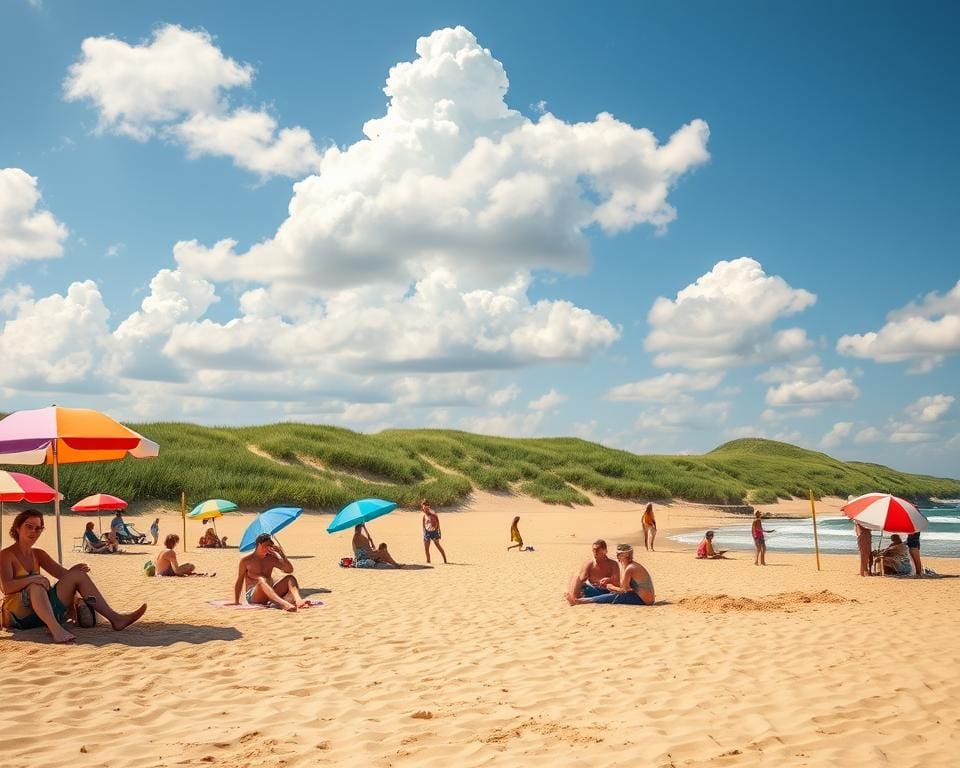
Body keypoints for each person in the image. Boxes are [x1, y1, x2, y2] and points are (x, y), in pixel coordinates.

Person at [0, 509, 146, 643]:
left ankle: (116, 619)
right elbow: (6, 587)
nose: (34, 531)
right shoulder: (6, 555)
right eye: (29, 526)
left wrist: (73, 572)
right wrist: (33, 579)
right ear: (17, 528)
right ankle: (56, 630)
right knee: (36, 586)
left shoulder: (38, 554)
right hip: (17, 616)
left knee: (78, 575)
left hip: (41, 612)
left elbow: (63, 575)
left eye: (38, 528)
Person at [232, 533, 306, 611]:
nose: (269, 548)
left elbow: (289, 570)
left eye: (271, 545)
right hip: (254, 596)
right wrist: (236, 601)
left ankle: (298, 600)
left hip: (270, 592)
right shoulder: (246, 560)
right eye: (267, 545)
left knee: (290, 578)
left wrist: (281, 554)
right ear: (259, 544)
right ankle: (283, 604)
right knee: (261, 580)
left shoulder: (271, 558)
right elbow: (240, 580)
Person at [566, 544, 654, 606]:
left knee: (614, 596)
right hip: (641, 597)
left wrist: (611, 586)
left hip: (643, 600)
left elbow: (624, 590)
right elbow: (626, 585)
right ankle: (580, 594)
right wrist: (610, 580)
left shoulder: (629, 568)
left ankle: (580, 601)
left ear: (620, 556)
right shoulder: (630, 566)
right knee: (607, 591)